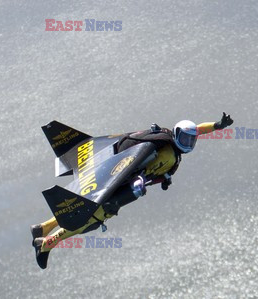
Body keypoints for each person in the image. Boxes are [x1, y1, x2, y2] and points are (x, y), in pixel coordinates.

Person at [31, 112, 233, 269]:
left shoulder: (167, 137)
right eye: (186, 139)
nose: (189, 143)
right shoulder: (165, 151)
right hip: (119, 182)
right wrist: (126, 190)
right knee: (90, 218)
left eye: (192, 140)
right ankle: (45, 244)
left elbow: (196, 129)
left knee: (87, 209)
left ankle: (43, 227)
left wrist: (217, 126)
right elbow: (135, 166)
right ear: (177, 134)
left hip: (119, 173)